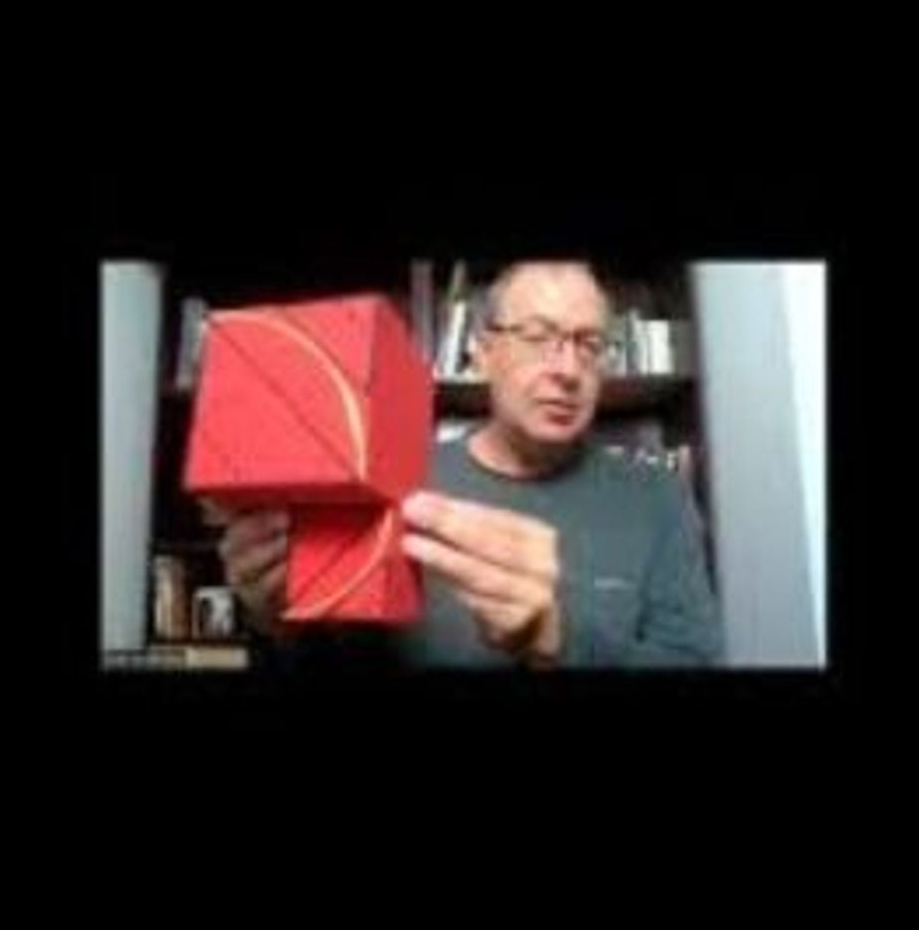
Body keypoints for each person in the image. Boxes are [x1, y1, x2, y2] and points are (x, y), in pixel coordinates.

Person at [205, 262, 722, 668]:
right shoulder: (399, 484)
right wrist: (279, 622)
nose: (568, 369)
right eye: (537, 337)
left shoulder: (659, 496)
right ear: (483, 353)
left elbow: (694, 660)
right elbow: (338, 659)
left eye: (588, 344)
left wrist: (555, 638)